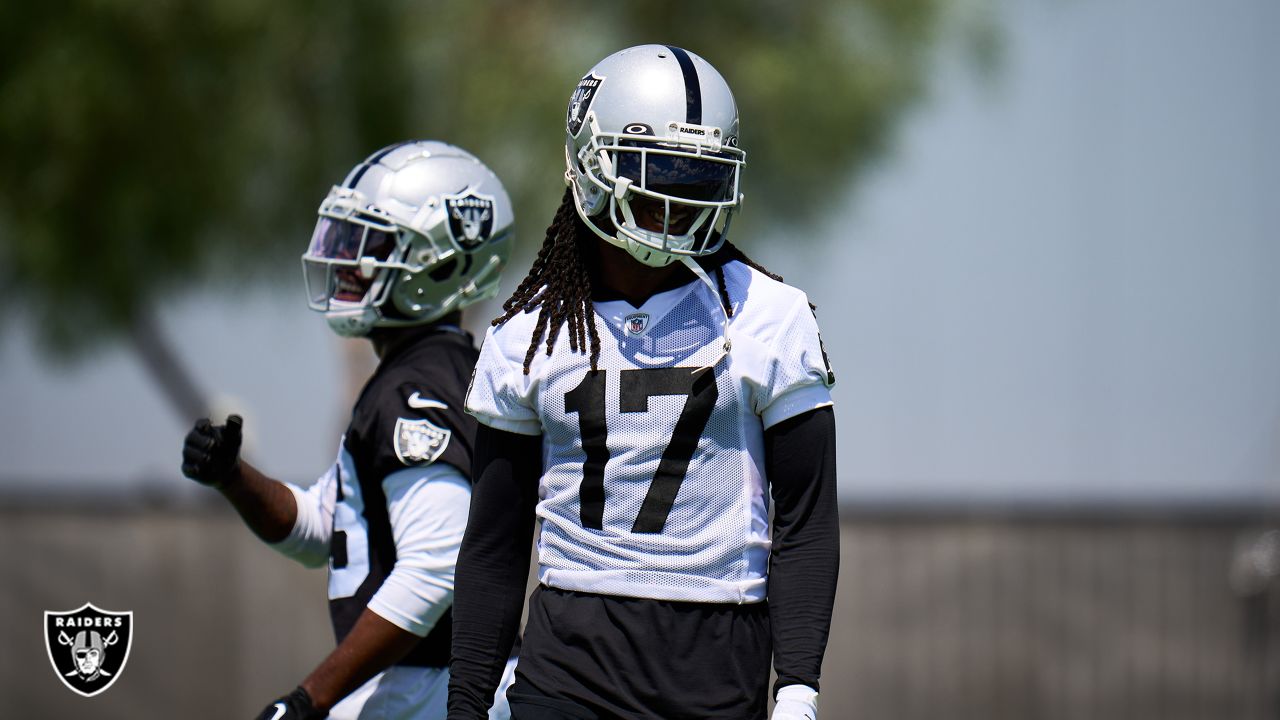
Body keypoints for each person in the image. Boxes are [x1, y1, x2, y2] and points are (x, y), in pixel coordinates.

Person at [447, 46, 839, 720]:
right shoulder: (527, 336)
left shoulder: (770, 316)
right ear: (590, 164)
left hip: (718, 675)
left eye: (698, 176)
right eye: (658, 171)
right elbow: (494, 543)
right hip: (566, 675)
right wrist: (466, 706)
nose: (676, 198)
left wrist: (798, 688)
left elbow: (805, 518)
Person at [181, 140, 518, 719]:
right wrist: (234, 478)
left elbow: (437, 566)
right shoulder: (432, 372)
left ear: (439, 263)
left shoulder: (418, 386)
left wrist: (310, 697)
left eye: (374, 244)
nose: (349, 262)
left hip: (432, 692)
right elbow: (324, 529)